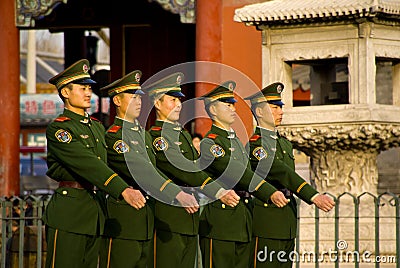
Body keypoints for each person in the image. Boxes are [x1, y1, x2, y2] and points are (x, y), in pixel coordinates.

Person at [44, 59, 146, 268]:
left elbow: (111, 163)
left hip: (95, 213)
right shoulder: (60, 130)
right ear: (65, 92)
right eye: (82, 88)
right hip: (70, 214)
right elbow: (89, 164)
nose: (88, 93)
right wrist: (123, 189)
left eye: (89, 88)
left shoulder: (98, 128)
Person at [98, 70, 199, 268]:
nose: (139, 101)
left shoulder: (144, 136)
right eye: (133, 96)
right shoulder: (114, 136)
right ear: (117, 101)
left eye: (140, 97)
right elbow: (143, 171)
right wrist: (177, 192)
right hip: (124, 221)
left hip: (146, 218)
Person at [145, 72, 240, 267]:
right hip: (169, 215)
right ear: (157, 103)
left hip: (190, 216)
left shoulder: (183, 135)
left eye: (180, 100)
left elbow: (197, 168)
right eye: (172, 100)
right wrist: (217, 191)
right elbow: (183, 169)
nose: (179, 105)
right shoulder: (158, 137)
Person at [198, 81, 289, 268]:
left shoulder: (237, 142)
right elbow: (237, 174)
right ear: (213, 110)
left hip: (243, 220)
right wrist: (268, 191)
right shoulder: (210, 143)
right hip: (221, 223)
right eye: (227, 105)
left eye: (233, 104)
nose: (233, 109)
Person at [244, 82, 335, 267]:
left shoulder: (284, 144)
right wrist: (313, 196)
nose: (280, 112)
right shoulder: (256, 145)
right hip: (266, 221)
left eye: (280, 107)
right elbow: (282, 172)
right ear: (259, 112)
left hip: (287, 220)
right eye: (275, 107)